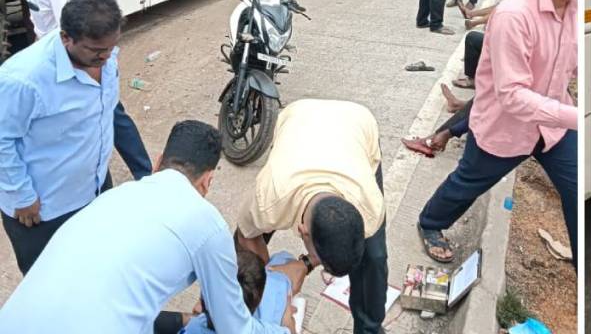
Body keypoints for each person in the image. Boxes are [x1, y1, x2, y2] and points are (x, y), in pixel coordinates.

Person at [0, 121, 292, 334]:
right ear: (208, 180)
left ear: (157, 163)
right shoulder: (206, 223)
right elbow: (234, 328)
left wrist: (182, 322)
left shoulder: (114, 197)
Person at [417, 0, 578, 267]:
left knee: (576, 189)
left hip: (552, 128)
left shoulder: (575, 8)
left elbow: (575, 61)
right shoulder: (515, 15)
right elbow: (513, 96)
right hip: (507, 127)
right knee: (466, 184)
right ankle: (430, 223)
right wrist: (574, 117)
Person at [0, 0, 152, 181]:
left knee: (109, 116)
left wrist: (89, 74)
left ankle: (143, 173)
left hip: (76, 64)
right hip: (63, 61)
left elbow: (76, 29)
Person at [234, 99, 388, 334]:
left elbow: (344, 249)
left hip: (357, 123)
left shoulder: (370, 206)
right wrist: (273, 293)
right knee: (245, 258)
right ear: (301, 230)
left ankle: (370, 330)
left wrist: (304, 264)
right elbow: (246, 237)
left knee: (374, 257)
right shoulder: (269, 197)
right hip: (298, 117)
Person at [0, 0, 123, 275]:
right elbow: (2, 140)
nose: (106, 56)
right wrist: (21, 196)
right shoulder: (23, 79)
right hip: (44, 209)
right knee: (49, 284)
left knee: (93, 269)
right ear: (66, 37)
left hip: (94, 191)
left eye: (111, 46)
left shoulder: (104, 55)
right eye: (96, 51)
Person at [182, 250, 308, 333]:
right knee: (283, 258)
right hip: (277, 290)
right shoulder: (260, 330)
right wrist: (286, 318)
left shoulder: (194, 327)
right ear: (259, 301)